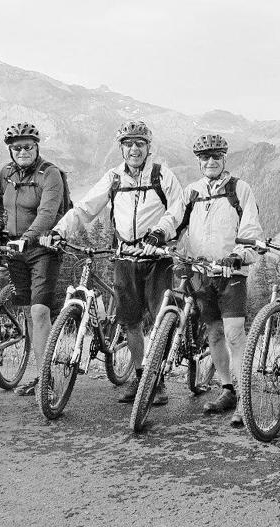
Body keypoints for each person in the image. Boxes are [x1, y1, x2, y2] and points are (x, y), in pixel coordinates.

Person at [41, 120, 185, 403]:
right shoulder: (115, 178)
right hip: (125, 257)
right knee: (130, 321)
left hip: (157, 258)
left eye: (139, 144)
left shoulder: (161, 175)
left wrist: (159, 233)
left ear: (148, 148)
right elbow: (86, 208)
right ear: (121, 149)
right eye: (128, 144)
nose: (134, 149)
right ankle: (142, 375)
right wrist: (59, 231)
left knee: (160, 320)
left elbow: (177, 210)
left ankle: (157, 381)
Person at [178, 134, 264, 427]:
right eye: (205, 157)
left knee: (235, 335)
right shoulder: (192, 192)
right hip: (202, 273)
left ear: (224, 158)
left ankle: (244, 398)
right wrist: (159, 237)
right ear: (199, 161)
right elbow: (174, 222)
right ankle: (227, 389)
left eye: (216, 156)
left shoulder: (239, 189)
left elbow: (250, 229)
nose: (211, 161)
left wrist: (238, 256)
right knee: (214, 334)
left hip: (231, 274)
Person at [0, 122, 68, 396]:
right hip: (15, 249)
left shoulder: (50, 173)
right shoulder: (6, 173)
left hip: (42, 248)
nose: (23, 151)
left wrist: (29, 237)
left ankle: (46, 381)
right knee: (27, 313)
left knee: (39, 311)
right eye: (17, 147)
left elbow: (48, 212)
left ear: (36, 147)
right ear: (11, 150)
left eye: (28, 147)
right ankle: (41, 373)